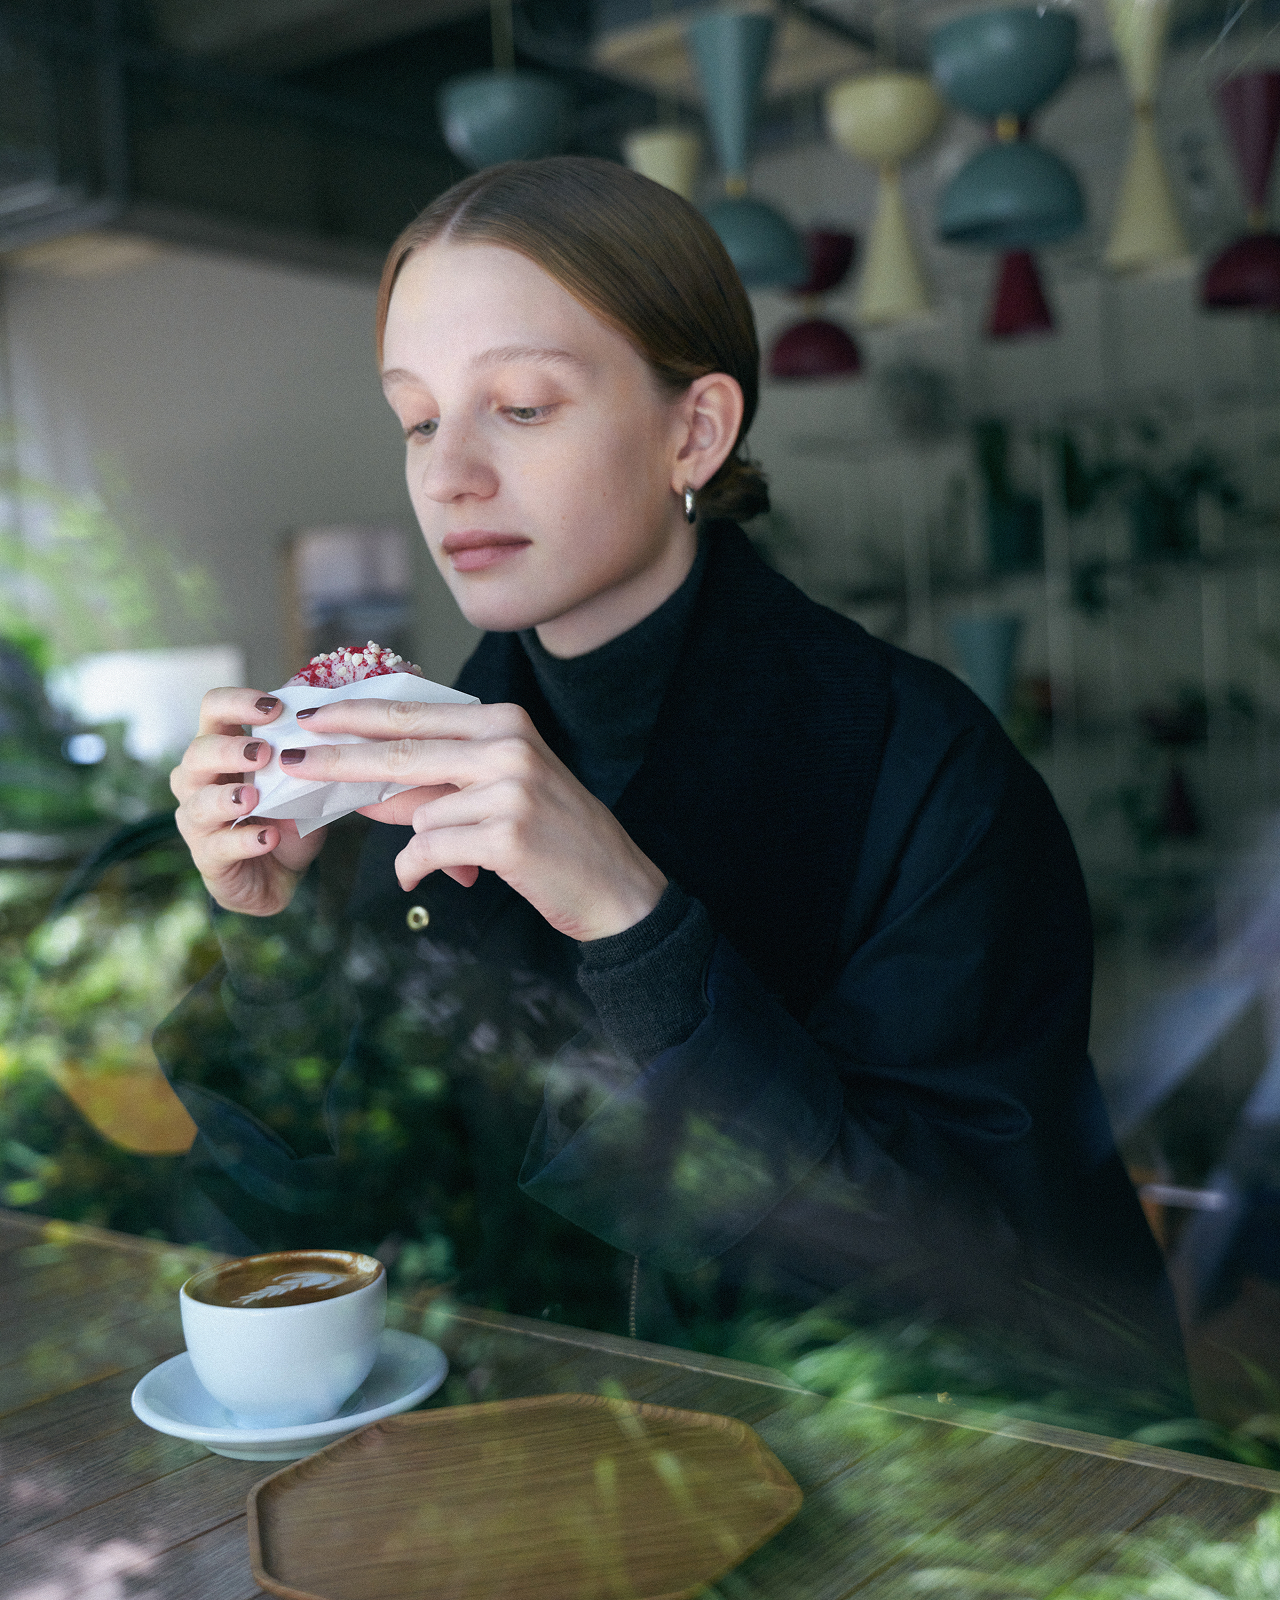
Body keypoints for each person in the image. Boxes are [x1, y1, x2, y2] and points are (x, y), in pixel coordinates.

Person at [160, 156, 1184, 1403]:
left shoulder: (924, 768)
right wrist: (269, 940)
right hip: (499, 1490)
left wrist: (636, 929)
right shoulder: (401, 774)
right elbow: (313, 1243)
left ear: (692, 429)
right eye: (418, 418)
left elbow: (969, 1298)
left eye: (521, 406)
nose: (447, 474)